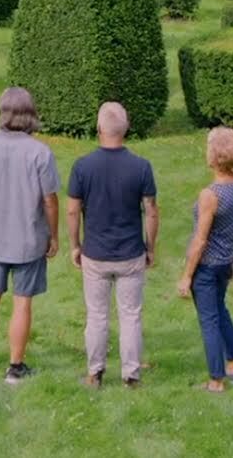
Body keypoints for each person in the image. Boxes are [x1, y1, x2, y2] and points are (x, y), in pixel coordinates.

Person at [0, 86, 61, 385]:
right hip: (29, 240)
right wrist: (53, 235)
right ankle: (15, 367)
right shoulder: (41, 153)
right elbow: (50, 201)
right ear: (30, 114)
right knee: (22, 302)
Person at [67, 102, 158, 389]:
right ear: (126, 128)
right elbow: (151, 210)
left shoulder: (82, 167)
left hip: (95, 253)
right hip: (131, 253)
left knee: (97, 315)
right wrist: (150, 247)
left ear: (98, 128)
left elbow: (72, 210)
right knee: (130, 315)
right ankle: (131, 374)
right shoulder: (141, 167)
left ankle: (95, 373)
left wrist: (75, 244)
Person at [176, 126, 233, 392]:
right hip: (225, 264)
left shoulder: (210, 195)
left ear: (214, 156)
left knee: (208, 319)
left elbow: (200, 240)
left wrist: (187, 275)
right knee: (221, 311)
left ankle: (216, 380)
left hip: (207, 267)